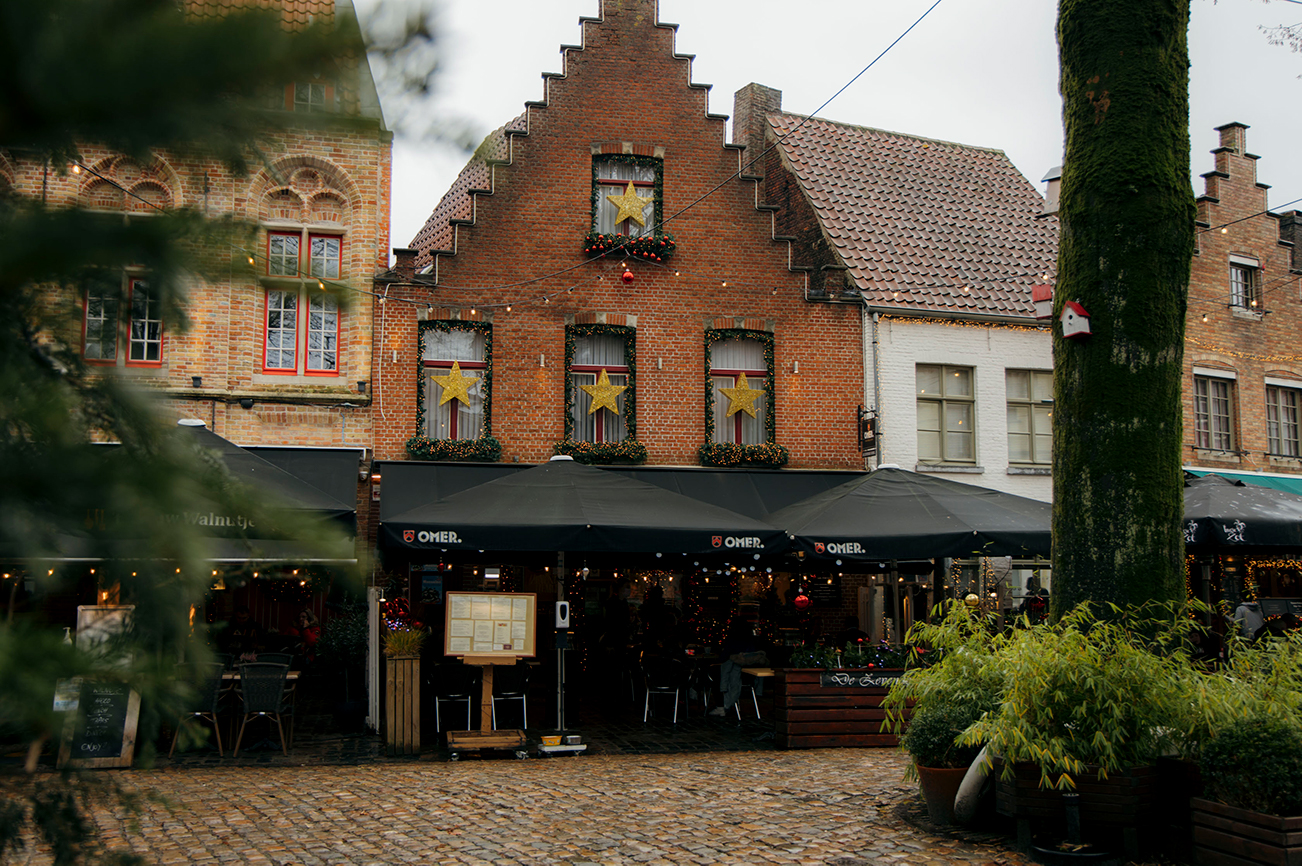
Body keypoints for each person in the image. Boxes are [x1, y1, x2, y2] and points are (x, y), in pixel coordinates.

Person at [711, 619, 768, 717]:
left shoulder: (733, 641)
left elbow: (723, 657)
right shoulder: (752, 642)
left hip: (735, 674)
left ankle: (720, 706)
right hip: (749, 677)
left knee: (715, 675)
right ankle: (724, 706)